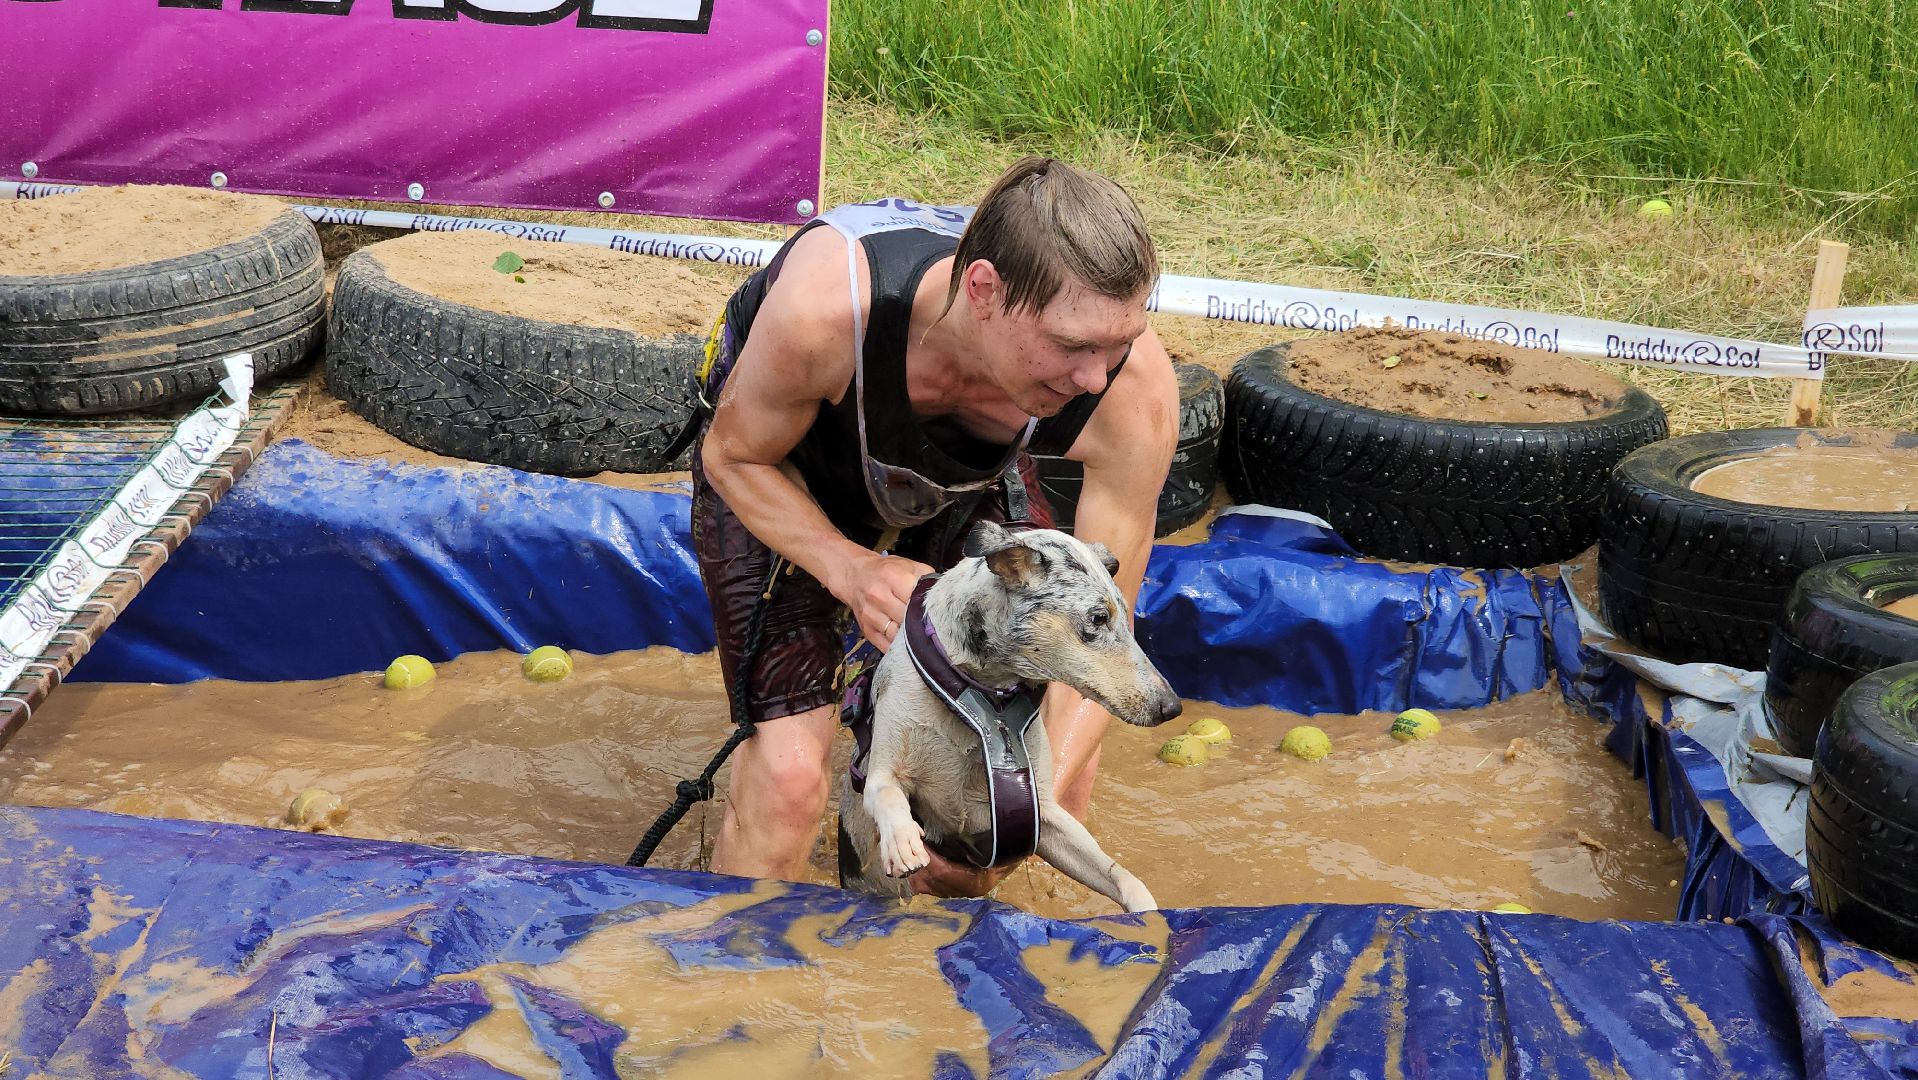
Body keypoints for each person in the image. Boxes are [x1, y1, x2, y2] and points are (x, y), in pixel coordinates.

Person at [689, 156, 1179, 896]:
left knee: (1046, 794)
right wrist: (850, 567)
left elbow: (1105, 635)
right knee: (790, 784)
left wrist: (1017, 811)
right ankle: (737, 985)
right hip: (790, 471)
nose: (1094, 377)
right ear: (982, 290)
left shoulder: (1129, 386)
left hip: (966, 476)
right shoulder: (828, 312)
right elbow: (733, 457)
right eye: (1074, 345)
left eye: (1120, 342)